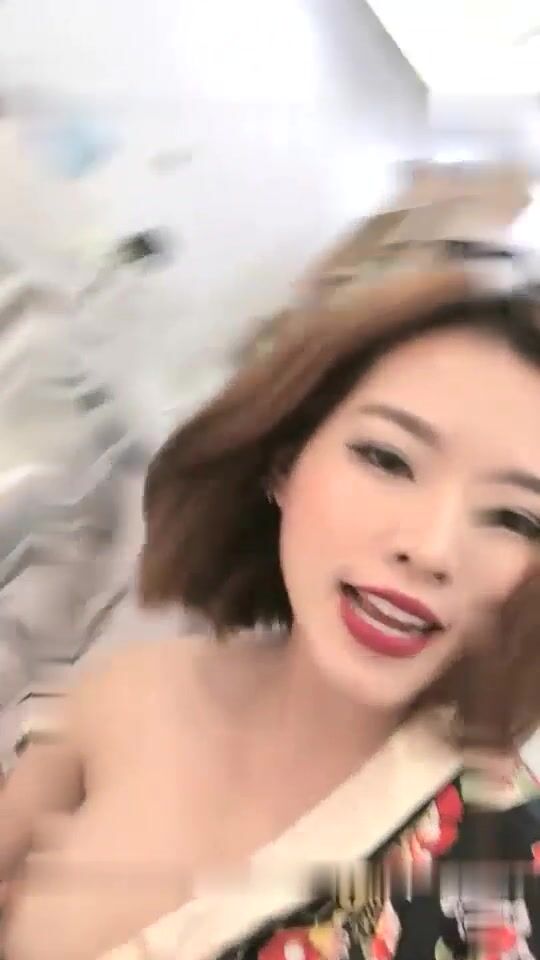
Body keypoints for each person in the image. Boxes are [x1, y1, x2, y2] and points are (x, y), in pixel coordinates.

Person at [1, 264, 540, 960]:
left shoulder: (506, 864)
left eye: (514, 519)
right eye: (387, 458)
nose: (431, 549)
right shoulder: (121, 693)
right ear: (286, 460)